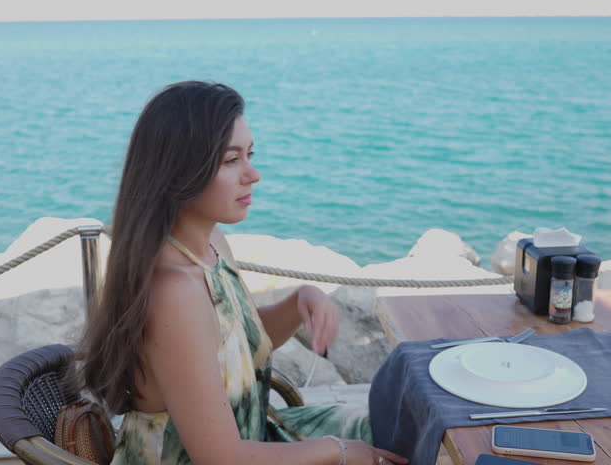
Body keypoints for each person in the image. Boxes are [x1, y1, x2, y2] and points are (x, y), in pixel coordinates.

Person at [76, 81, 408, 465]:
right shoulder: (172, 293)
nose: (253, 175)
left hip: (253, 437)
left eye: (249, 155)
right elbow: (221, 458)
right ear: (179, 170)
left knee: (401, 423)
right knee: (392, 442)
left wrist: (300, 300)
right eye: (231, 160)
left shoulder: (210, 243)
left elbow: (238, 347)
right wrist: (339, 450)